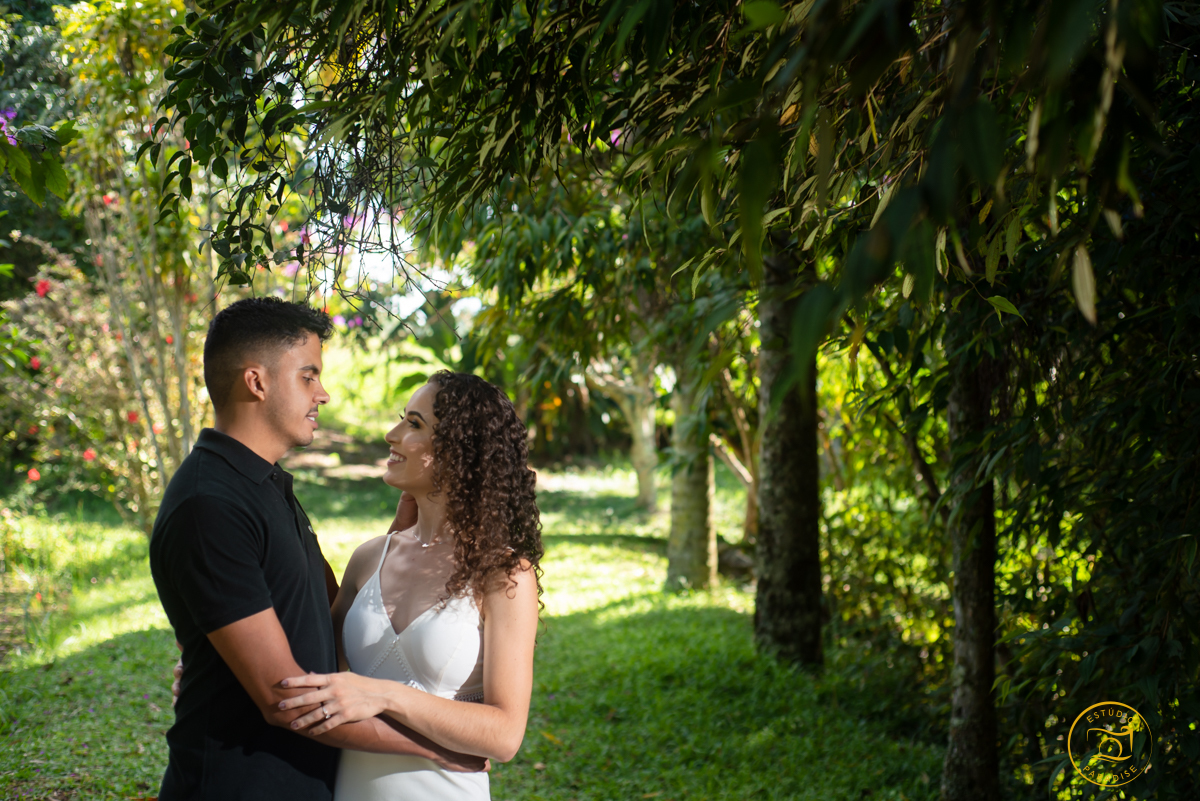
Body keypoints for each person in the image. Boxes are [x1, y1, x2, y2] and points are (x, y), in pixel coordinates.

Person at [150, 298, 482, 801]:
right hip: (239, 783)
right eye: (308, 376)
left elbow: (321, 623)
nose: (323, 394)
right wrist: (436, 747)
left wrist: (401, 534)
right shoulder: (209, 504)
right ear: (257, 382)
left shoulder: (265, 485)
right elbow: (285, 701)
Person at [276, 371, 543, 801]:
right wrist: (214, 673)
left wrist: (384, 695)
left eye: (414, 424)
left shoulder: (503, 574)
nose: (391, 433)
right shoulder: (370, 557)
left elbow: (505, 735)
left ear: (460, 453)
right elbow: (314, 665)